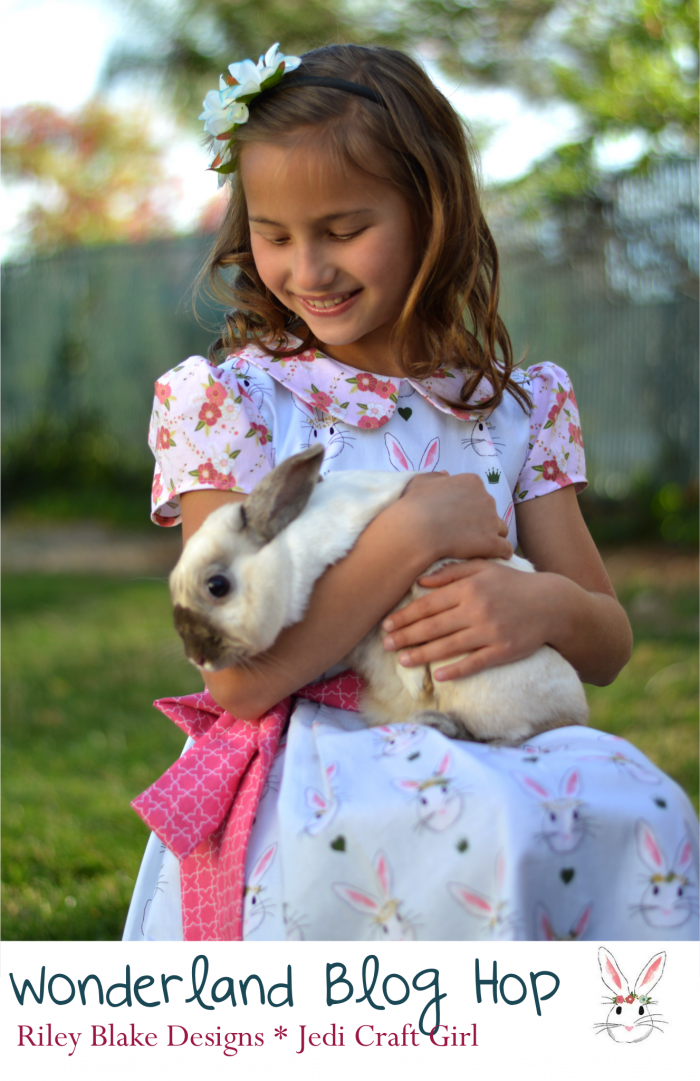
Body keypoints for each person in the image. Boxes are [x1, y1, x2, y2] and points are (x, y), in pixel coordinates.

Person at [123, 42, 700, 942]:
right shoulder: (233, 403)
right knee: (452, 858)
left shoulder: (521, 408)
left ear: (432, 213)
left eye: (344, 229)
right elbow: (234, 679)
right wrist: (412, 533)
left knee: (649, 815)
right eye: (274, 235)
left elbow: (610, 641)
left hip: (492, 746)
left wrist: (541, 604)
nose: (306, 268)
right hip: (315, 786)